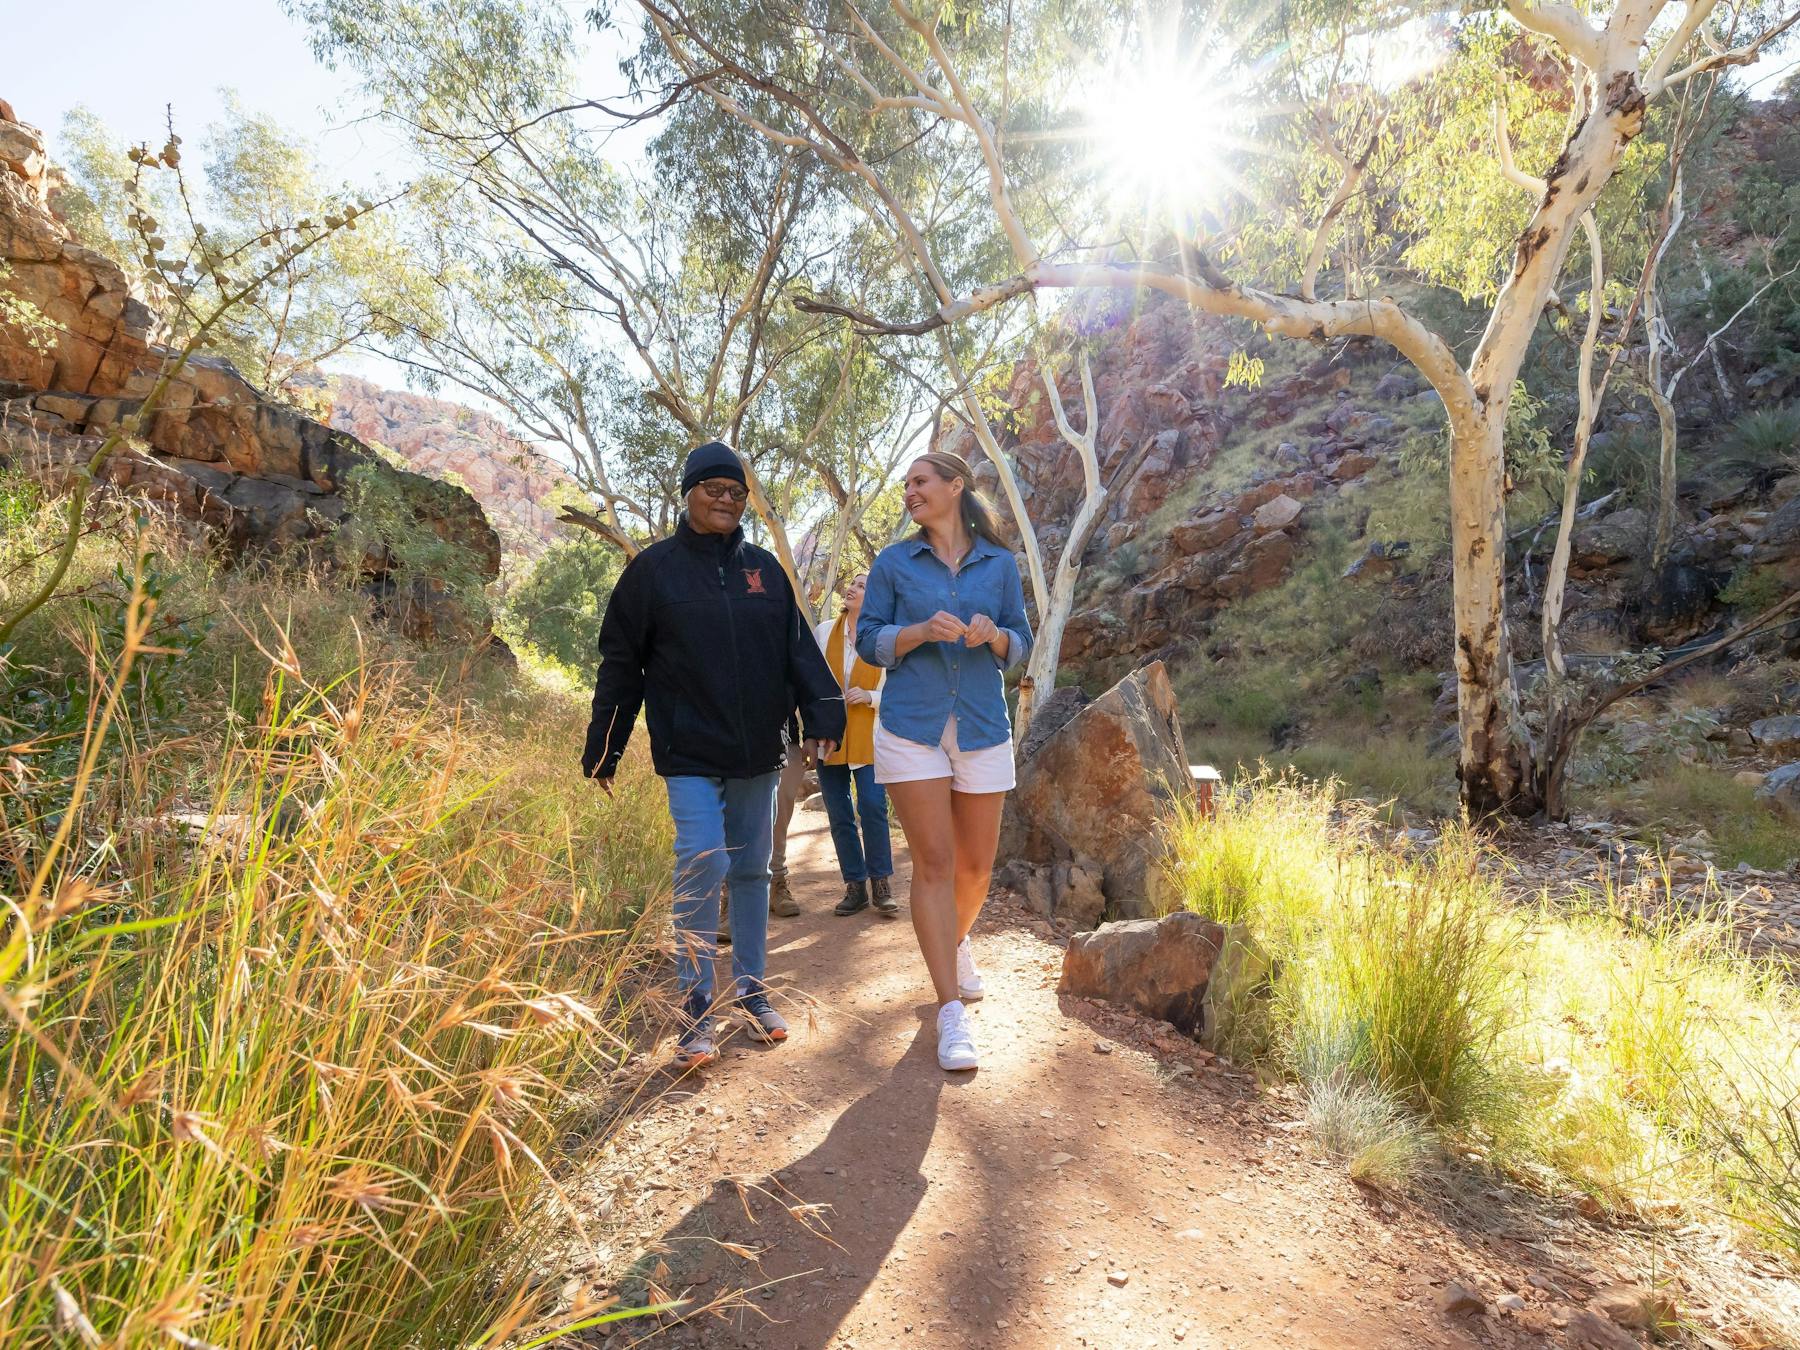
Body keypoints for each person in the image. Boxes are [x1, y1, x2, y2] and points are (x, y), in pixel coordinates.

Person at [582, 440, 844, 1069]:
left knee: (753, 870)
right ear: (689, 494)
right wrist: (606, 746)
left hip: (758, 748)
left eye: (736, 492)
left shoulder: (764, 570)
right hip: (689, 748)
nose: (726, 500)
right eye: (713, 489)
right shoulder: (654, 573)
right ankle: (695, 1010)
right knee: (702, 865)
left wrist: (823, 713)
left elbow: (799, 651)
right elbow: (622, 665)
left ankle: (754, 993)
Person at [856, 451, 1033, 1072]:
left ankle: (954, 941)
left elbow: (1021, 644)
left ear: (956, 487)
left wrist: (995, 636)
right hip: (912, 727)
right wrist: (917, 632)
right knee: (934, 863)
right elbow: (868, 639)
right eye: (905, 484)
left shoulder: (1001, 564)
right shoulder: (894, 562)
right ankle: (949, 1011)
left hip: (983, 724)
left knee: (977, 867)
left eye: (920, 481)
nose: (909, 491)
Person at [812, 571, 898, 918]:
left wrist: (871, 696)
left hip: (871, 737)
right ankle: (854, 886)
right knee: (839, 814)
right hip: (828, 736)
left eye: (862, 586)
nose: (852, 588)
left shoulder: (882, 638)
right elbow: (811, 678)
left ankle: (881, 883)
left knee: (873, 807)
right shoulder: (824, 632)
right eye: (852, 584)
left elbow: (900, 689)